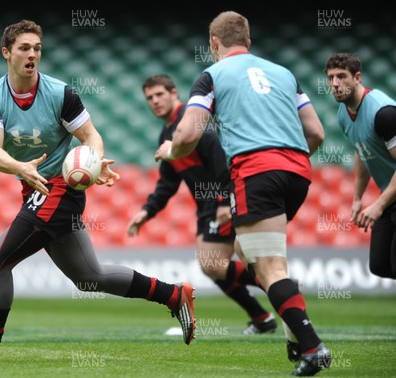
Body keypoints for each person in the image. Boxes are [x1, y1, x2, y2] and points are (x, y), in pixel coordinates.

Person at [0, 19, 195, 362]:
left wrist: (94, 161)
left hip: (60, 188)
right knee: (90, 277)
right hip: (33, 188)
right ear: (6, 53)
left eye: (37, 48)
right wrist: (21, 169)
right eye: (24, 48)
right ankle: (174, 294)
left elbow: (91, 136)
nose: (32, 54)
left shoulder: (60, 94)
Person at [155, 11, 330, 376]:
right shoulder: (283, 73)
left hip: (256, 172)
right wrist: (287, 159)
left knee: (269, 268)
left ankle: (311, 346)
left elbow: (187, 135)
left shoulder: (212, 76)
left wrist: (170, 151)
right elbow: (316, 133)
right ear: (248, 41)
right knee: (242, 251)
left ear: (214, 44)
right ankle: (295, 330)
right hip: (298, 171)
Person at [127, 74, 277, 335]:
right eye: (149, 98)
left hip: (225, 197)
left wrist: (222, 200)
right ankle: (264, 312)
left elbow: (222, 160)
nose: (155, 101)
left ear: (174, 93)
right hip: (206, 205)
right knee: (212, 267)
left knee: (212, 264)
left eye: (160, 94)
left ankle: (276, 283)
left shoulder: (193, 122)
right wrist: (147, 211)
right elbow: (168, 182)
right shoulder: (166, 133)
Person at [325, 53, 396, 279]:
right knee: (380, 265)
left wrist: (378, 205)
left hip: (389, 196)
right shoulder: (343, 114)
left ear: (357, 77)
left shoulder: (383, 113)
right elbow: (361, 149)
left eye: (341, 77)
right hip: (391, 195)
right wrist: (358, 198)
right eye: (330, 78)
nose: (335, 84)